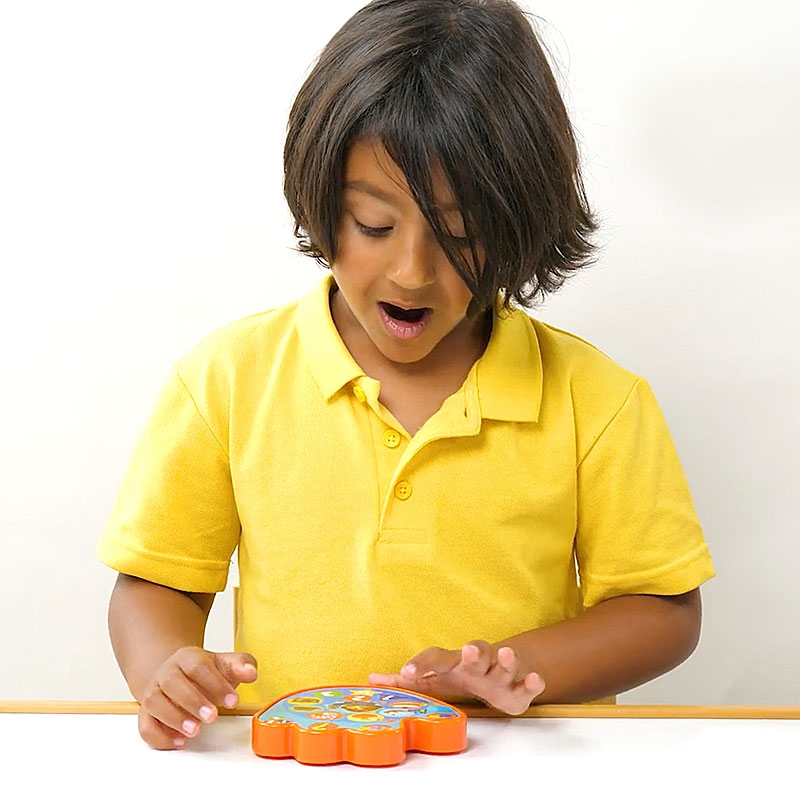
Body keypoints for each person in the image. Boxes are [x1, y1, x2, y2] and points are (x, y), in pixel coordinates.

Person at [98, 0, 715, 750]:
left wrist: (518, 669)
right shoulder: (227, 378)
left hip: (520, 773)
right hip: (296, 768)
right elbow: (158, 579)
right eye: (375, 226)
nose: (413, 270)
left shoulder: (599, 400)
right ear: (322, 201)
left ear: (520, 225)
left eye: (461, 235)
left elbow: (662, 609)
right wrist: (166, 668)